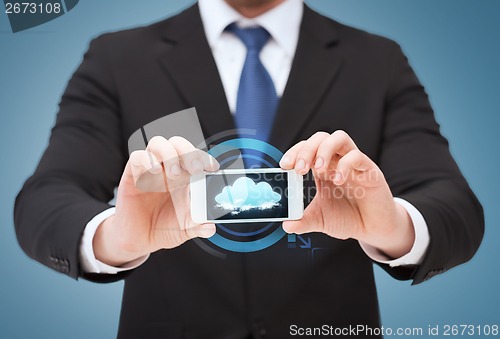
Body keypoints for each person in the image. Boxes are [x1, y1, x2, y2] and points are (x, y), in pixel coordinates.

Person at [14, 0, 484, 338]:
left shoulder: (377, 60)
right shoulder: (116, 58)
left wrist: (394, 225)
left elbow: (452, 203)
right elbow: (46, 196)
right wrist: (117, 237)